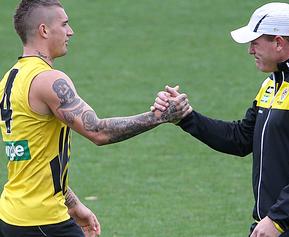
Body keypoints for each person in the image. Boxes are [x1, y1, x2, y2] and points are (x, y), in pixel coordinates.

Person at [0, 0, 191, 237]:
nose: (71, 31)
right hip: (43, 221)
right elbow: (98, 131)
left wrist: (72, 202)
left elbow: (32, 160)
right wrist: (159, 116)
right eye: (65, 24)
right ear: (44, 30)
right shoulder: (48, 80)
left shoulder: (11, 78)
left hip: (12, 214)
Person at [152, 2, 289, 237]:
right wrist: (186, 117)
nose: (250, 50)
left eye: (255, 42)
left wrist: (278, 219)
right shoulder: (274, 82)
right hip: (275, 225)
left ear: (278, 42)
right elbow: (240, 139)